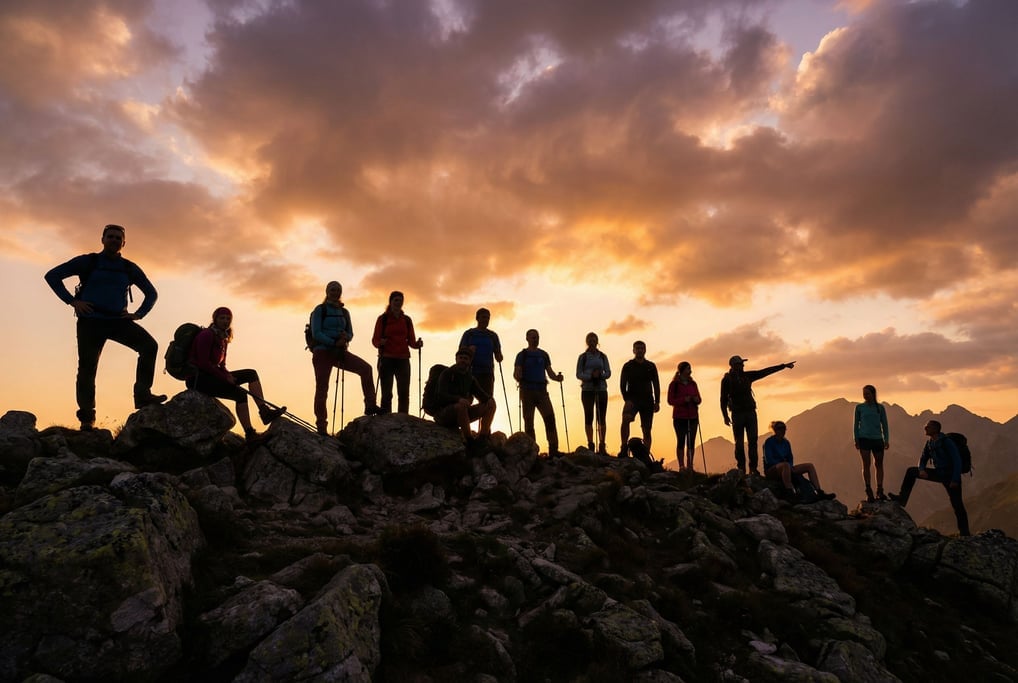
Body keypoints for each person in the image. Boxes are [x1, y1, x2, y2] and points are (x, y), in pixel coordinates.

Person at [44, 224, 166, 431]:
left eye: (118, 238)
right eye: (110, 237)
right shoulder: (88, 261)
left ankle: (143, 395)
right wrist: (73, 301)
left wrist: (138, 314)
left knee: (149, 346)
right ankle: (86, 418)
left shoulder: (128, 268)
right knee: (87, 368)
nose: (114, 240)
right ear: (102, 239)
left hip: (118, 321)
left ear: (124, 243)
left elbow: (151, 293)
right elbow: (52, 276)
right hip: (91, 322)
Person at [187, 307, 285, 440]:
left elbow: (221, 365)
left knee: (251, 374)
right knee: (240, 394)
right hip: (199, 379)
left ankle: (264, 411)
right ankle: (250, 434)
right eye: (222, 318)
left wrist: (228, 375)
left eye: (228, 319)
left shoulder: (223, 338)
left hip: (212, 376)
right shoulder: (207, 335)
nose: (225, 321)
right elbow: (203, 363)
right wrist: (224, 377)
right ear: (215, 319)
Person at [310, 281, 381, 434]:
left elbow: (350, 332)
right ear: (327, 291)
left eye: (338, 290)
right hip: (322, 352)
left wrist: (345, 338)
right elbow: (316, 333)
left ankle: (370, 405)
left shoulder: (344, 312)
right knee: (322, 389)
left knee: (366, 369)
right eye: (332, 289)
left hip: (339, 351)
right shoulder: (319, 310)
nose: (335, 292)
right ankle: (321, 427)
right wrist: (334, 342)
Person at [889, 420, 970, 536]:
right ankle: (902, 498)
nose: (925, 428)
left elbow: (957, 461)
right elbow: (923, 458)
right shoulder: (929, 443)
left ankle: (965, 532)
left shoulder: (947, 442)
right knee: (911, 471)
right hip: (938, 473)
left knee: (957, 504)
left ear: (935, 429)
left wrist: (955, 479)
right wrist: (921, 469)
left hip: (950, 476)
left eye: (927, 427)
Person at [720, 355, 795, 475]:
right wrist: (725, 416)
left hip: (749, 413)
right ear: (734, 366)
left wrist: (783, 366)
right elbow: (723, 399)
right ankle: (742, 469)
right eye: (740, 364)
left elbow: (764, 372)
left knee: (752, 441)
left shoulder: (746, 376)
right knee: (739, 443)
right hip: (738, 414)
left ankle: (752, 469)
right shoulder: (727, 380)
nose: (743, 365)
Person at [513, 329, 564, 456]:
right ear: (527, 338)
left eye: (537, 337)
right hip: (527, 391)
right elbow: (516, 372)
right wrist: (517, 375)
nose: (535, 339)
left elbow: (549, 372)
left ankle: (553, 449)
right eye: (533, 337)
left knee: (550, 418)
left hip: (541, 390)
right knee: (529, 421)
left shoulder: (543, 355)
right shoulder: (522, 355)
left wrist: (557, 378)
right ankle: (532, 451)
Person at [372, 291, 423, 414]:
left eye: (400, 300)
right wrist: (380, 343)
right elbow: (375, 340)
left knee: (404, 392)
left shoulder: (406, 320)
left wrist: (417, 344)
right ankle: (386, 416)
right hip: (386, 358)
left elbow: (411, 340)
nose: (398, 303)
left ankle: (403, 417)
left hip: (403, 359)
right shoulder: (383, 319)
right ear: (390, 302)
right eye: (396, 300)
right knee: (387, 393)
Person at [433, 347, 497, 444]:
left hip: (463, 413)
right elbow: (440, 396)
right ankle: (469, 441)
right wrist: (458, 399)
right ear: (456, 359)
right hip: (443, 414)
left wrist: (489, 400)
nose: (462, 360)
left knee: (491, 404)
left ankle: (482, 438)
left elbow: (481, 395)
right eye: (460, 358)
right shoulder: (447, 374)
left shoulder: (470, 378)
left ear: (470, 361)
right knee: (461, 405)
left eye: (465, 358)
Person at [763, 421, 836, 502]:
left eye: (784, 428)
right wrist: (783, 465)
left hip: (786, 467)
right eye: (779, 428)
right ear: (775, 430)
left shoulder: (786, 443)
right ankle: (789, 491)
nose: (782, 430)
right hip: (772, 470)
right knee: (785, 465)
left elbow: (790, 458)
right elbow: (769, 460)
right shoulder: (769, 442)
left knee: (809, 466)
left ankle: (819, 491)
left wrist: (790, 466)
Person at [618, 341, 660, 458]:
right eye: (637, 348)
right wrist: (626, 399)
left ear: (645, 350)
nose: (640, 350)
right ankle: (623, 448)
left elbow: (656, 384)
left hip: (647, 400)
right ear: (633, 350)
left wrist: (657, 401)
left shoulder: (650, 366)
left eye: (642, 348)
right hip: (632, 399)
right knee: (626, 419)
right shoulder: (628, 366)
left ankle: (645, 454)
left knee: (647, 429)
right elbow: (622, 384)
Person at [576, 332, 611, 454]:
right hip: (587, 390)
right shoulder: (583, 357)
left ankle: (602, 444)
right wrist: (590, 376)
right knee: (589, 416)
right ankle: (590, 443)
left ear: (597, 341)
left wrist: (600, 375)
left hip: (601, 389)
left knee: (602, 417)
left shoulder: (603, 356)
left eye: (594, 339)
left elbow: (608, 372)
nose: (592, 341)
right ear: (587, 341)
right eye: (590, 339)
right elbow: (578, 374)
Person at [854, 384, 890, 502]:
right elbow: (856, 424)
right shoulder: (859, 408)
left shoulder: (880, 408)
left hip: (877, 439)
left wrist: (886, 439)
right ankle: (868, 491)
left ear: (873, 394)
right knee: (866, 465)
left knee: (879, 465)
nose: (865, 396)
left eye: (867, 394)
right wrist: (856, 439)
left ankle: (880, 490)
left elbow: (884, 424)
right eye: (864, 394)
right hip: (864, 439)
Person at [459, 307, 504, 401]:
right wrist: (469, 350)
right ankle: (466, 416)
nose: (486, 320)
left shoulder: (493, 336)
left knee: (487, 401)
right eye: (483, 317)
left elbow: (498, 356)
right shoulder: (469, 334)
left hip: (487, 373)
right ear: (477, 318)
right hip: (469, 372)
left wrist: (499, 356)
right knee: (466, 399)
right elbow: (460, 352)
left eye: (488, 318)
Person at [667, 361, 702, 471]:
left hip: (692, 416)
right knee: (681, 440)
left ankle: (690, 465)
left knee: (691, 442)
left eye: (689, 369)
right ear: (681, 371)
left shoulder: (693, 384)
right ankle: (682, 466)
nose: (690, 371)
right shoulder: (674, 385)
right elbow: (670, 400)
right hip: (680, 417)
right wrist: (683, 400)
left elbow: (699, 399)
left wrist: (696, 400)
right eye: (688, 369)